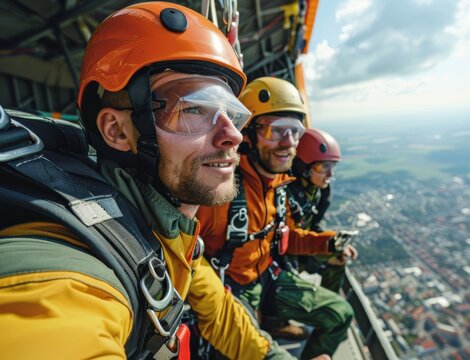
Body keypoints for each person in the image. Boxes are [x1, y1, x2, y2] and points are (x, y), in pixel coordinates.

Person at [0, 3, 294, 359]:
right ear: (117, 130)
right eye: (192, 109)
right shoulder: (73, 278)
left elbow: (220, 312)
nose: (232, 134)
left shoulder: (162, 232)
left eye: (231, 112)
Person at [197, 76, 355, 360]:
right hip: (232, 290)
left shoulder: (278, 187)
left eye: (295, 131)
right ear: (247, 135)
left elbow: (286, 238)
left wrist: (327, 244)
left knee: (340, 313)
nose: (289, 142)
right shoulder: (219, 193)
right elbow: (187, 259)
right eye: (275, 131)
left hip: (268, 277)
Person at [288, 128, 358, 293]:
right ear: (303, 167)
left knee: (340, 257)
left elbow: (313, 224)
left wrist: (336, 245)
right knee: (335, 256)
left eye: (332, 167)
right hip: (286, 257)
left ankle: (328, 298)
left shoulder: (316, 192)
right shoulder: (286, 195)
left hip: (302, 249)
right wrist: (327, 245)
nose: (330, 174)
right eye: (323, 167)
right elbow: (287, 243)